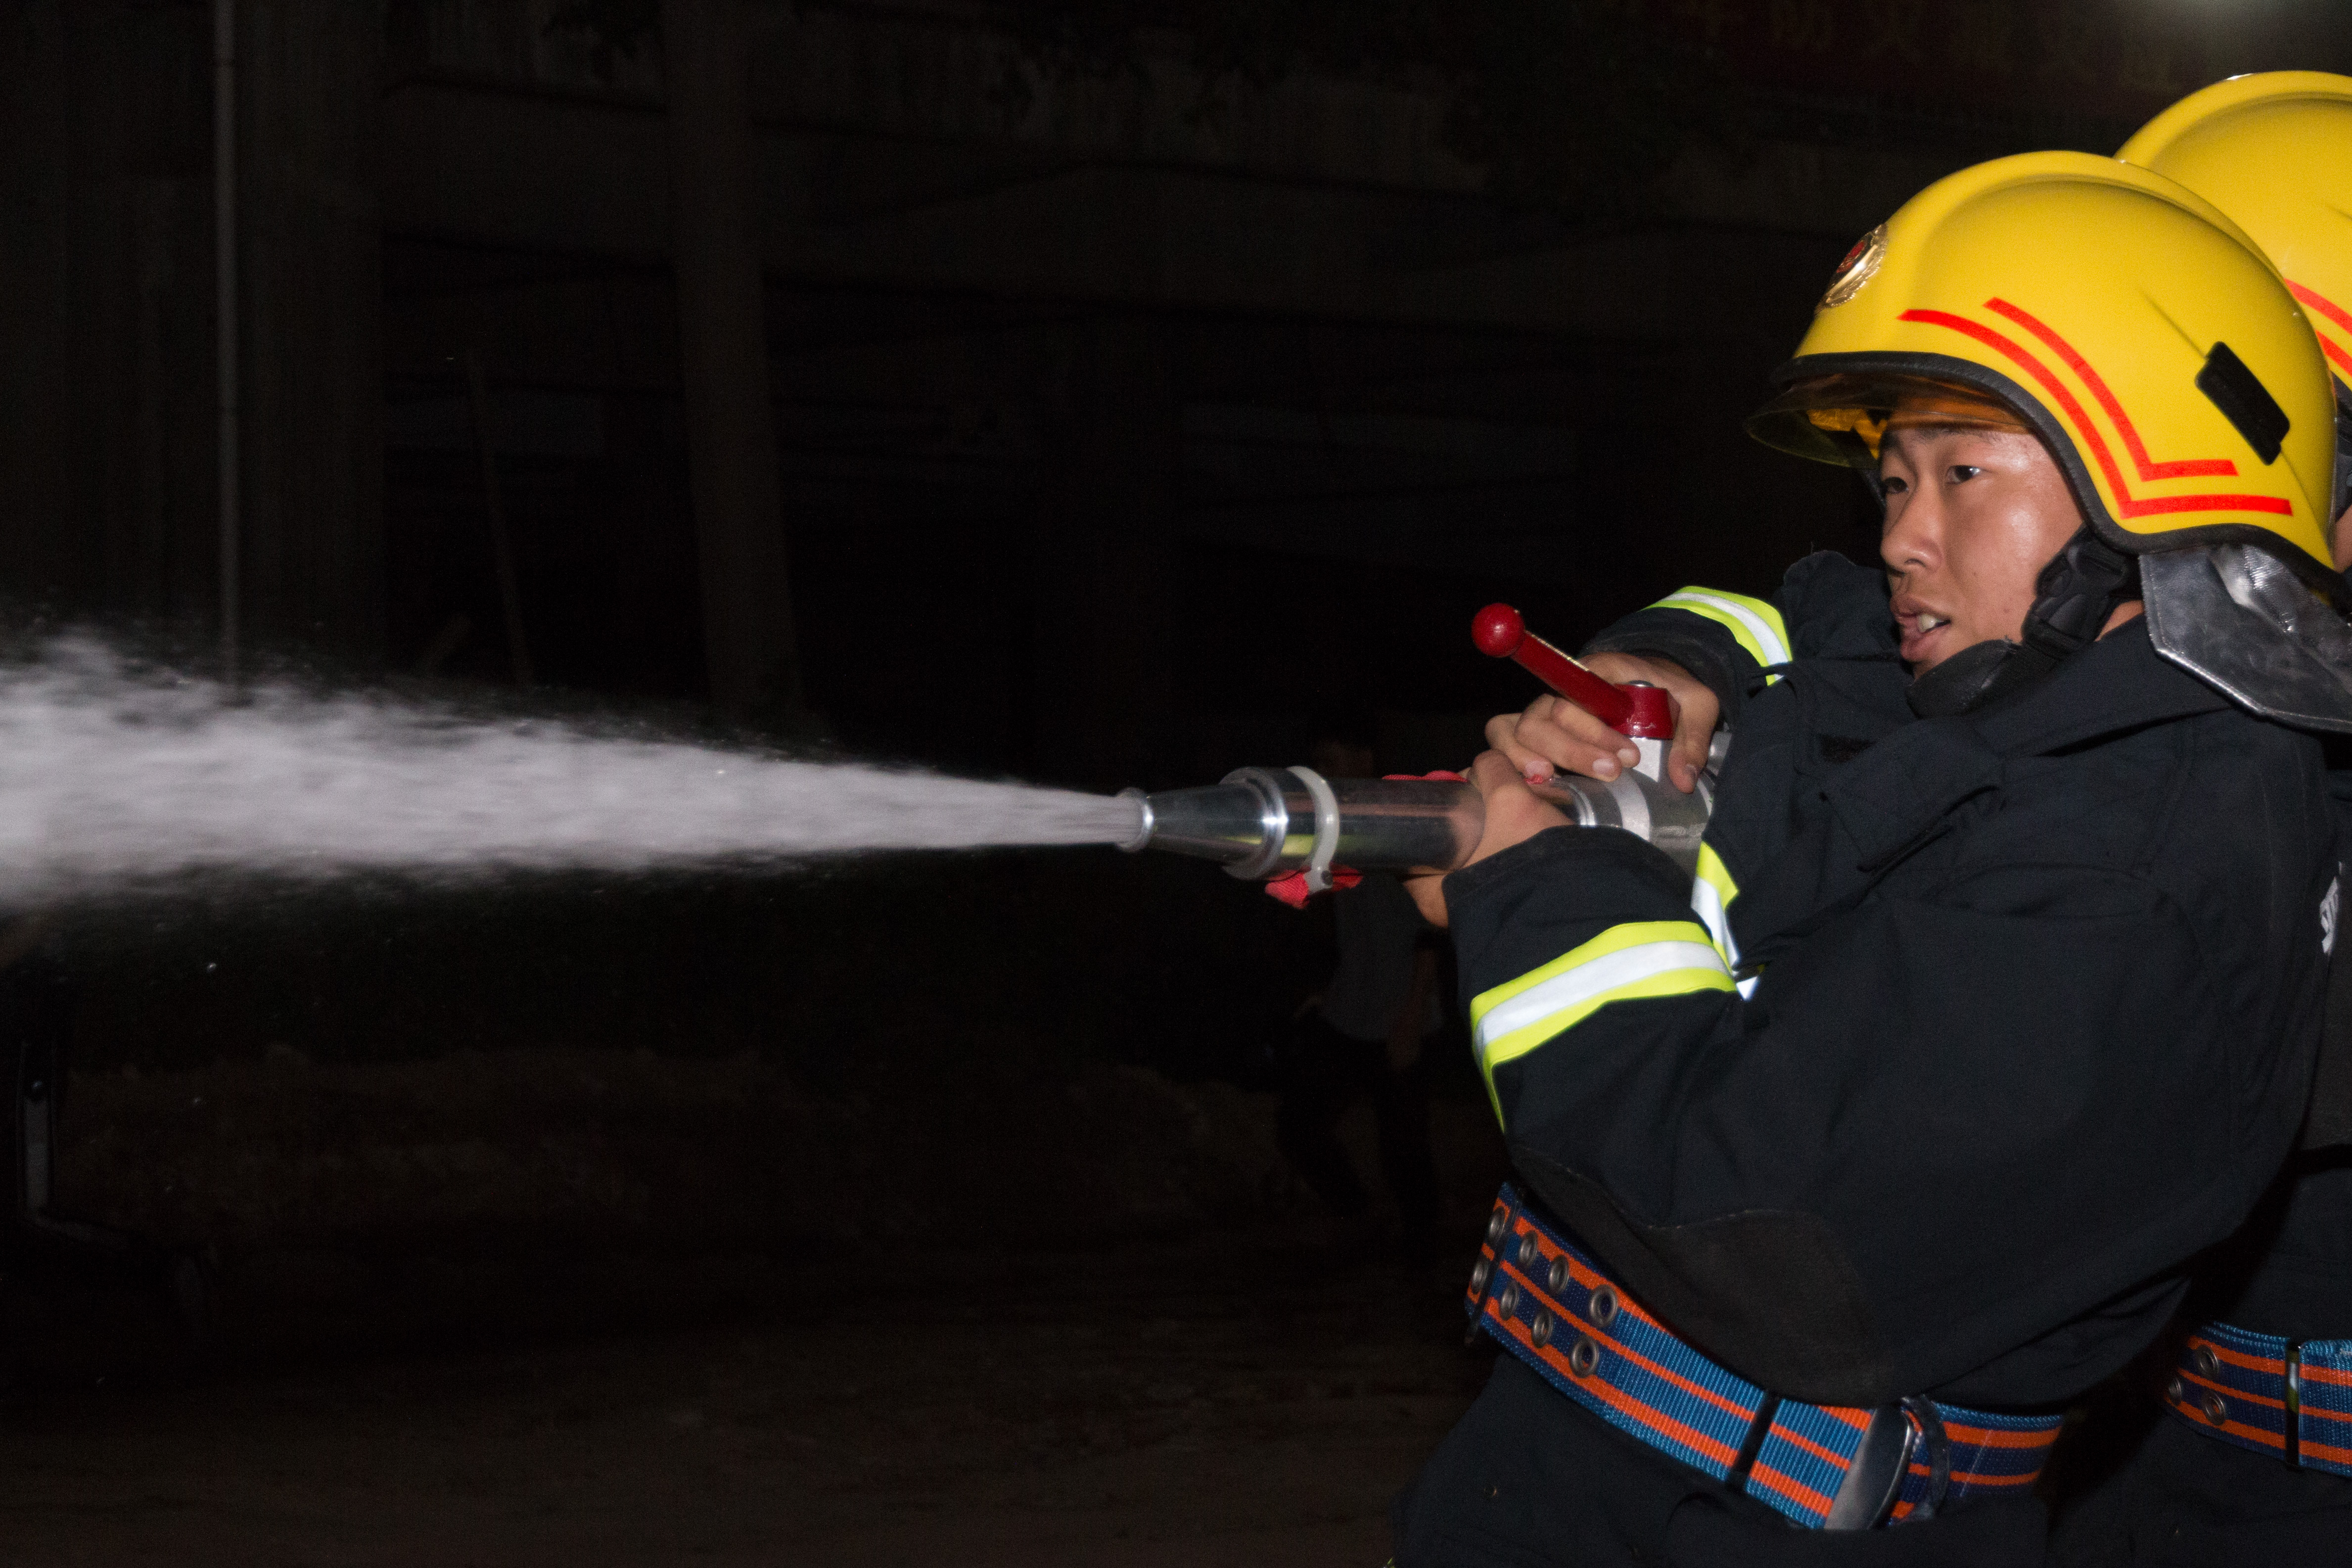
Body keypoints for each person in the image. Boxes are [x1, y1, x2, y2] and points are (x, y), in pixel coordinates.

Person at [1388, 151, 2343, 1566]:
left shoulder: (2137, 862)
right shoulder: (2028, 707)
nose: (1898, 535)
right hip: (1612, 1490)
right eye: (1892, 478)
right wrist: (1666, 670)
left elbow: (1761, 1227)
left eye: (1963, 471)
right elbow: (1805, 631)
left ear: (2160, 480)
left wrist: (1534, 889)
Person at [1274, 733, 1445, 1244]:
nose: (1323, 770)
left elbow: (1432, 931)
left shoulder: (1399, 821)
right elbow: (1346, 920)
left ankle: (1422, 1260)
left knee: (1405, 1148)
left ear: (1363, 757)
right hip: (1350, 1008)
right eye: (1318, 761)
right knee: (1299, 1125)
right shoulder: (1335, 826)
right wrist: (1328, 987)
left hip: (1401, 1010)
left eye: (1331, 759)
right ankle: (1364, 1218)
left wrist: (1412, 1015)